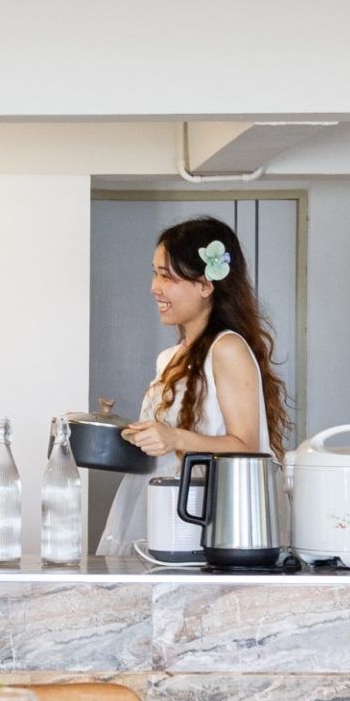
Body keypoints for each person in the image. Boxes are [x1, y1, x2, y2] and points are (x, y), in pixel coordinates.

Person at [96, 216, 291, 556]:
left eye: (166, 276)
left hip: (202, 521)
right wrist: (125, 434)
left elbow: (248, 448)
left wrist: (174, 437)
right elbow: (170, 444)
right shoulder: (170, 357)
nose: (154, 287)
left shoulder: (227, 349)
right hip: (165, 511)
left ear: (206, 285)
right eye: (155, 273)